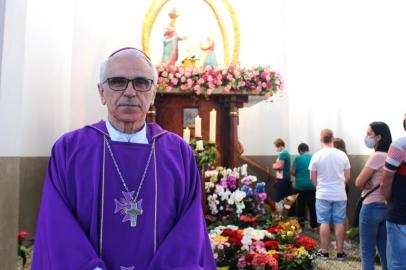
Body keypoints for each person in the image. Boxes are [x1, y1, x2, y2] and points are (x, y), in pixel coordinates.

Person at [32, 47, 216, 270]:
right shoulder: (70, 150)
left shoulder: (178, 153)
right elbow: (57, 225)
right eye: (118, 82)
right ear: (101, 92)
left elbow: (190, 230)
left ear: (153, 93)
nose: (130, 92)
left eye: (141, 82)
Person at [309, 129, 351, 261]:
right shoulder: (342, 155)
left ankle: (324, 252)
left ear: (321, 139)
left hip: (322, 194)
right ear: (333, 139)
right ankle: (340, 253)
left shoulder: (317, 155)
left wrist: (320, 187)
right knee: (339, 222)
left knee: (324, 222)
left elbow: (312, 177)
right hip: (339, 194)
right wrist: (338, 185)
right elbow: (347, 177)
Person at [355, 122, 391, 270]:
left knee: (367, 252)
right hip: (386, 206)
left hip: (371, 207)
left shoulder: (376, 156)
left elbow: (358, 181)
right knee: (384, 252)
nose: (366, 137)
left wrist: (365, 182)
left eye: (369, 134)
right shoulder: (391, 155)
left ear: (379, 137)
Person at [380, 113, 406, 270]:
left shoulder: (400, 144)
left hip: (401, 213)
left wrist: (388, 199)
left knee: (398, 263)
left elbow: (386, 180)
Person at [290, 143, 318, 231]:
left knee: (301, 206)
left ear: (300, 151)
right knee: (312, 206)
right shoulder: (313, 157)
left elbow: (293, 172)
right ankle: (314, 226)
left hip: (300, 186)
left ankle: (301, 225)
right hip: (312, 186)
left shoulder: (298, 158)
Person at [333, 137, 352, 250]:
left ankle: (345, 240)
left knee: (342, 215)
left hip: (340, 187)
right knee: (340, 215)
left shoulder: (339, 157)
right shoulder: (344, 157)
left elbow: (345, 176)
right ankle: (342, 240)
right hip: (341, 186)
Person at [272, 138, 292, 202]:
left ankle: (280, 211)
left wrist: (274, 166)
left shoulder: (283, 154)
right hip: (284, 178)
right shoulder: (285, 153)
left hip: (283, 179)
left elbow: (280, 167)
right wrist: (276, 165)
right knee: (285, 198)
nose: (276, 149)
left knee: (280, 198)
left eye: (276, 147)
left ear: (280, 146)